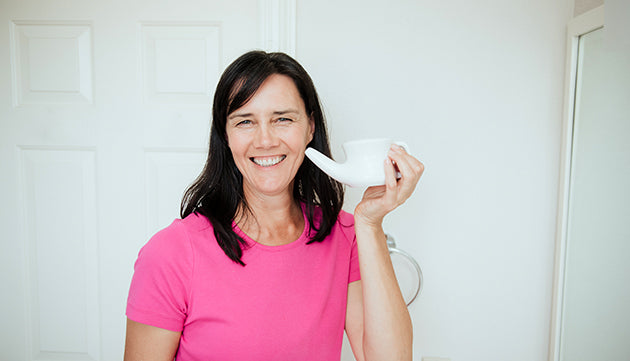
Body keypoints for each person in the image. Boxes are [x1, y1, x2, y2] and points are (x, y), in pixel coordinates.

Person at [124, 50, 424, 361]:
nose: (265, 140)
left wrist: (370, 225)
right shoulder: (172, 252)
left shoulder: (346, 237)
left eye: (282, 119)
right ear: (225, 135)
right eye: (245, 121)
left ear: (309, 127)